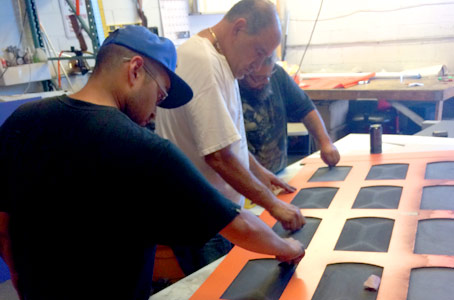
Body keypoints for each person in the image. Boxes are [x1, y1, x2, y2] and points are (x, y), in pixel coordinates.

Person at [0, 25, 305, 300]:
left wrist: (17, 272)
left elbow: (4, 218)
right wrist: (287, 247)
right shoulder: (145, 150)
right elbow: (237, 224)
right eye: (159, 96)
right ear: (135, 71)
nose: (154, 112)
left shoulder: (22, 120)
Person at [155, 0, 305, 275]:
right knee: (217, 288)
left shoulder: (219, 60)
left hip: (218, 215)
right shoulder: (203, 62)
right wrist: (273, 205)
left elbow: (224, 139)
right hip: (202, 221)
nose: (258, 64)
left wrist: (258, 171)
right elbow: (218, 157)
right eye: (258, 52)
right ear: (239, 28)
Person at [239, 53, 340, 174]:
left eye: (268, 75)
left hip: (279, 173)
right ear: (243, 73)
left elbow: (305, 107)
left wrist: (325, 142)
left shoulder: (277, 74)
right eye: (258, 78)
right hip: (246, 178)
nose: (266, 82)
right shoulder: (230, 86)